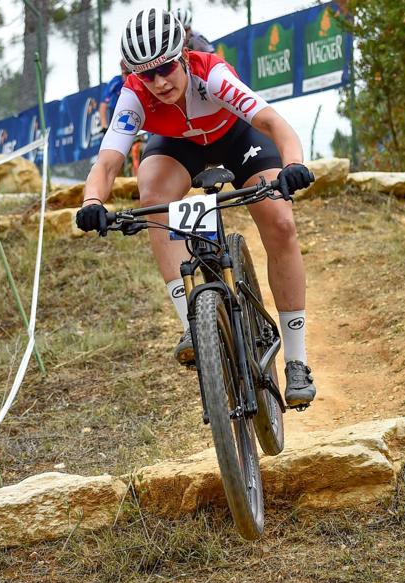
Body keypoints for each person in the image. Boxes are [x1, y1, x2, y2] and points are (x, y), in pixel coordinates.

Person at [75, 8, 316, 407]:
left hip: (236, 136)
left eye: (166, 68)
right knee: (152, 197)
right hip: (179, 146)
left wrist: (292, 164)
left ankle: (296, 359)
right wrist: (92, 201)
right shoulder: (135, 94)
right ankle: (192, 321)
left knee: (280, 222)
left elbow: (275, 124)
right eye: (146, 74)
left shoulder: (213, 74)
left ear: (183, 56)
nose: (159, 82)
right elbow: (107, 163)